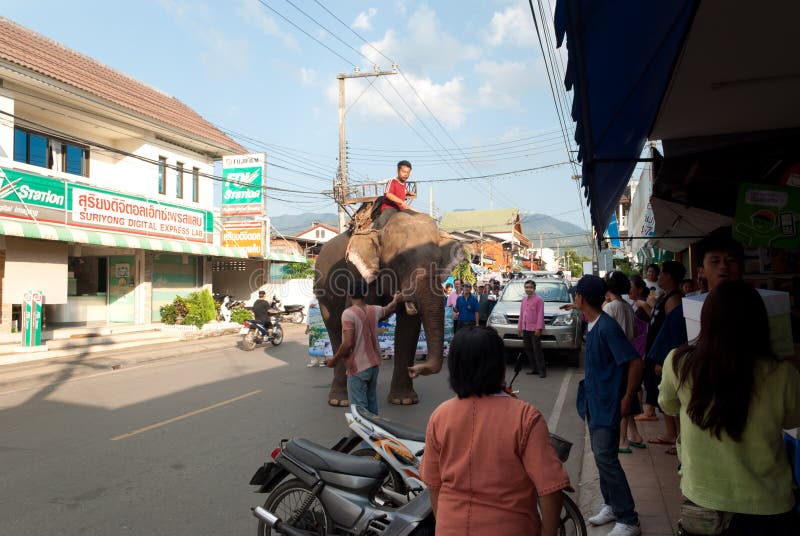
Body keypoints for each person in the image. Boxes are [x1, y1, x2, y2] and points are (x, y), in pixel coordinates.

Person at [659, 281, 800, 534]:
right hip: (769, 506)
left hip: (704, 502)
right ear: (760, 322)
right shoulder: (783, 373)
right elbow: (792, 420)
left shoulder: (679, 363)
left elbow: (667, 405)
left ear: (707, 319)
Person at [420, 326, 571, 536]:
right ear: (499, 365)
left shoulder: (440, 416)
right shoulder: (525, 417)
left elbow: (433, 484)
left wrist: (445, 525)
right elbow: (551, 488)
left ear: (455, 368)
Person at [574, 275, 642, 536]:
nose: (574, 298)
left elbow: (635, 362)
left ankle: (628, 518)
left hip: (608, 404)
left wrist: (627, 397)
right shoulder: (592, 323)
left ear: (582, 298)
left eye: (576, 295)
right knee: (602, 459)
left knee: (607, 460)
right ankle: (611, 505)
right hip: (594, 402)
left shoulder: (607, 327)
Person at [325, 281, 402, 414]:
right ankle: (375, 432)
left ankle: (360, 434)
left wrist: (334, 360)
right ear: (365, 293)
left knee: (359, 412)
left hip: (358, 368)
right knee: (371, 404)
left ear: (349, 294)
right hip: (374, 365)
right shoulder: (374, 310)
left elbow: (347, 343)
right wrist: (396, 299)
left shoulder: (348, 314)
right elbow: (389, 308)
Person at [644, 261, 687, 452]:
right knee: (664, 397)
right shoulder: (664, 296)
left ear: (670, 276)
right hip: (659, 354)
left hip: (667, 357)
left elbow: (673, 335)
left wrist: (665, 361)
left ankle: (679, 438)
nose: (658, 276)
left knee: (673, 401)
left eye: (661, 273)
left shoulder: (674, 300)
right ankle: (671, 434)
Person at [603, 272, 644, 454]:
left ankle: (622, 441)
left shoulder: (610, 308)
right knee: (628, 396)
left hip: (615, 359)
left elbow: (603, 334)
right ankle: (635, 436)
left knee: (622, 400)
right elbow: (635, 332)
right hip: (628, 356)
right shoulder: (627, 306)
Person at [518, 280, 547, 378]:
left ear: (534, 288)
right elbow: (522, 314)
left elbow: (540, 315)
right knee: (528, 349)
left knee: (537, 350)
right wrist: (519, 327)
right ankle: (534, 368)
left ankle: (542, 370)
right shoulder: (524, 300)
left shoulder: (539, 300)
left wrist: (538, 328)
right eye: (526, 287)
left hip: (534, 329)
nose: (528, 289)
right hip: (525, 328)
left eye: (530, 287)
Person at [375, 160, 416, 227]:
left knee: (416, 218)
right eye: (403, 172)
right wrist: (401, 202)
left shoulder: (403, 184)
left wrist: (409, 193)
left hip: (400, 210)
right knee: (382, 223)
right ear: (398, 171)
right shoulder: (392, 181)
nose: (406, 174)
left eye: (408, 172)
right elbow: (388, 194)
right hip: (390, 208)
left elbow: (403, 191)